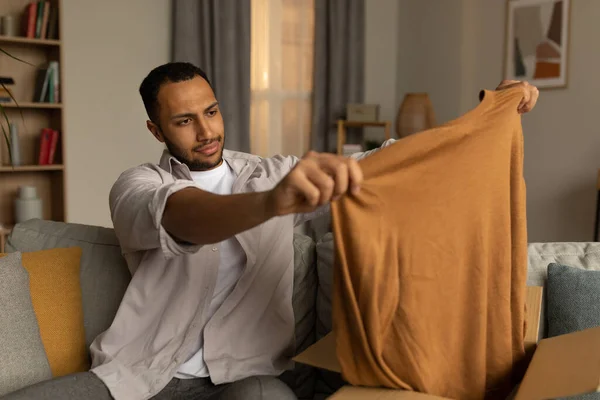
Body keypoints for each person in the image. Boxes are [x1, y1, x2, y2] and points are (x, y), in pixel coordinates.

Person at [3, 62, 539, 400]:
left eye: (210, 112)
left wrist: (483, 117)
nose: (206, 129)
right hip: (144, 375)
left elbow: (383, 160)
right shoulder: (136, 185)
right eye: (184, 120)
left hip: (249, 376)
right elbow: (186, 218)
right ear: (156, 129)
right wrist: (272, 204)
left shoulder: (272, 172)